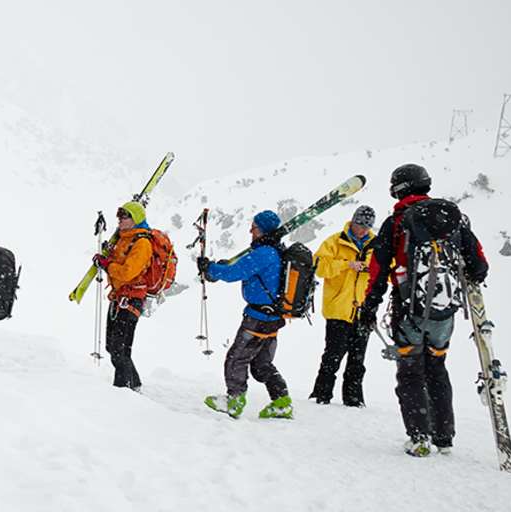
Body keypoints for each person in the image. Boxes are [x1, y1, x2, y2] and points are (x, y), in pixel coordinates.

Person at [358, 163, 488, 457]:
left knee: (410, 373)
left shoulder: (397, 222)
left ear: (398, 188)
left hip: (409, 311)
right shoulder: (453, 219)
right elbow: (479, 264)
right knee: (437, 369)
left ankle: (419, 437)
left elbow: (378, 270)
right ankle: (444, 437)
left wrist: (370, 306)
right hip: (445, 312)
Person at [198, 210, 293, 419]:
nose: (251, 230)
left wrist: (210, 269)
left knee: (236, 358)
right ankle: (282, 401)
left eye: (255, 227)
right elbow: (242, 268)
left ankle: (234, 400)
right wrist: (219, 267)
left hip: (258, 318)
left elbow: (235, 273)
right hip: (274, 317)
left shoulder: (264, 253)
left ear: (263, 230)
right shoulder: (276, 251)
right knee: (261, 364)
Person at [309, 206, 377, 406]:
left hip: (363, 310)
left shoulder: (377, 245)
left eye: (367, 226)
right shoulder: (334, 242)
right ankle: (321, 396)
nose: (363, 230)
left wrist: (369, 268)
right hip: (338, 309)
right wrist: (347, 264)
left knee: (358, 360)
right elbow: (319, 267)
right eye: (360, 225)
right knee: (332, 356)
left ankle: (354, 400)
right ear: (353, 222)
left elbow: (386, 270)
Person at [92, 201, 153, 391]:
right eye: (119, 215)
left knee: (120, 350)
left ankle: (122, 391)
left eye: (124, 216)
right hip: (119, 298)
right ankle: (133, 385)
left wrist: (107, 265)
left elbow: (128, 272)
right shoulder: (124, 239)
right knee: (113, 348)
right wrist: (108, 257)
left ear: (134, 219)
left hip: (131, 300)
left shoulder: (142, 243)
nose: (119, 219)